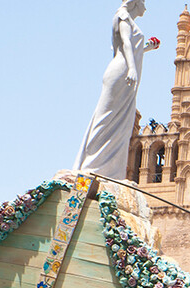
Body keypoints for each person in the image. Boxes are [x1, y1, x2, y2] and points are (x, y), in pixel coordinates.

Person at [73, 0, 160, 179]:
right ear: (136, 2)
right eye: (144, 2)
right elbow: (126, 44)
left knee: (121, 121)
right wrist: (132, 68)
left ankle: (109, 171)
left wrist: (146, 49)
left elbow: (132, 48)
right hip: (121, 71)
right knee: (106, 117)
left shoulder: (128, 19)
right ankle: (91, 164)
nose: (146, 7)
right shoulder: (123, 16)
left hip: (125, 70)